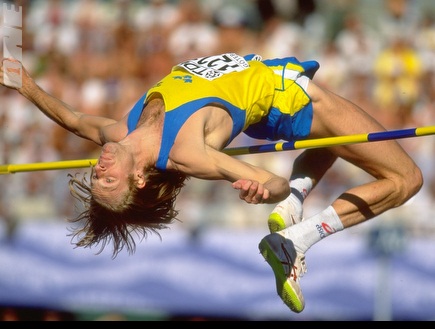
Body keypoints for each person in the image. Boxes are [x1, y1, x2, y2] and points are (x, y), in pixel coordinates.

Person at [0, 53, 423, 313]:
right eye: (109, 179)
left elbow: (72, 120)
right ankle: (300, 239)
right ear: (139, 179)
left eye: (96, 175)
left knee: (332, 145)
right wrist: (268, 192)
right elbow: (269, 181)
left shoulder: (118, 133)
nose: (101, 167)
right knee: (406, 179)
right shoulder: (187, 152)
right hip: (291, 100)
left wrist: (25, 83)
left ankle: (293, 214)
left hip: (270, 99)